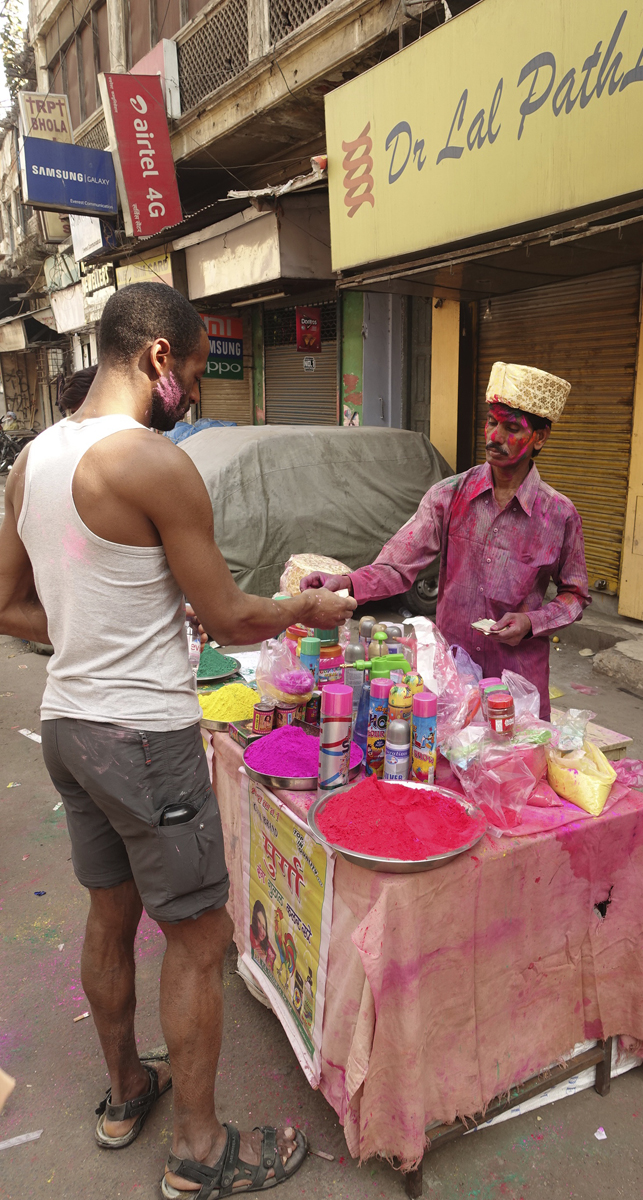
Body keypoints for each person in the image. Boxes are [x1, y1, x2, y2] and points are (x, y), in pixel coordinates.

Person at [0, 281, 356, 1198]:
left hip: (71, 724)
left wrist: (88, 627)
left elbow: (4, 602)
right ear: (159, 357)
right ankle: (198, 1151)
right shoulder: (150, 462)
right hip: (144, 739)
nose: (194, 392)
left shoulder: (30, 461)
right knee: (200, 940)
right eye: (193, 372)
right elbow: (233, 616)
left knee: (109, 913)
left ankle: (126, 1093)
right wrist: (304, 609)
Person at [301, 362, 589, 720]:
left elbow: (575, 596)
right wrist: (346, 584)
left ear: (540, 438)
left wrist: (533, 622)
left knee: (515, 772)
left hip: (518, 685)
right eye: (492, 422)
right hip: (453, 676)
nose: (494, 436)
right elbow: (397, 565)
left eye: (512, 428)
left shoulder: (559, 514)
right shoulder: (449, 495)